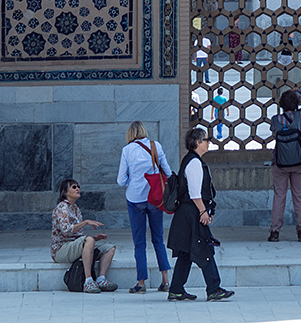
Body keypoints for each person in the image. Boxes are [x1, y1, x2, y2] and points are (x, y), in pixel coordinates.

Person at [166, 125, 232, 303]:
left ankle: (176, 290)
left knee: (187, 252)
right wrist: (203, 211)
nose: (209, 142)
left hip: (187, 213)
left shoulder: (191, 160)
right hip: (192, 213)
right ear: (197, 142)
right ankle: (214, 289)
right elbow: (195, 192)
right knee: (204, 248)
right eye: (206, 139)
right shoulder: (194, 162)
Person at [116, 121, 172, 295]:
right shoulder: (156, 146)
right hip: (155, 198)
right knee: (158, 239)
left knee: (139, 242)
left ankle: (141, 283)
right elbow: (168, 172)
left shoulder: (127, 150)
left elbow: (120, 180)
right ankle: (165, 280)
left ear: (130, 134)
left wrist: (131, 179)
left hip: (135, 198)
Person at [52, 177, 116, 293]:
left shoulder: (75, 208)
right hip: (61, 249)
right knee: (88, 240)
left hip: (73, 246)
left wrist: (94, 239)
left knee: (109, 248)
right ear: (65, 192)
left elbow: (77, 235)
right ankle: (88, 281)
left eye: (78, 187)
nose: (78, 189)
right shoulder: (62, 208)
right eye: (74, 187)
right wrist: (85, 222)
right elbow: (66, 230)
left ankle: (101, 279)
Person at [266, 86, 301, 243]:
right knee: (299, 196)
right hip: (300, 162)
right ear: (297, 104)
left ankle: (275, 232)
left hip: (280, 162)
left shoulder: (275, 120)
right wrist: (296, 90)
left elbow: (274, 131)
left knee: (279, 196)